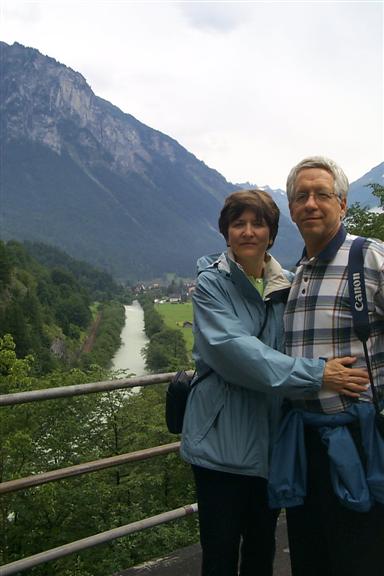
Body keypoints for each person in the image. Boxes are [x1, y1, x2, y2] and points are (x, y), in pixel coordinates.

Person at [179, 189, 368, 576]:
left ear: (271, 233)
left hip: (272, 445)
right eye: (238, 224)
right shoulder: (211, 284)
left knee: (262, 550)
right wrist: (319, 374)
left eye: (258, 223)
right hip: (220, 447)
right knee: (219, 551)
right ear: (226, 233)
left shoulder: (289, 285)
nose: (248, 231)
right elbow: (236, 353)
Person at [278, 156, 384, 576]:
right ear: (290, 210)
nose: (311, 204)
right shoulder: (297, 272)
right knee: (311, 557)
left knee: (360, 557)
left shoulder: (369, 259)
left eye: (322, 194)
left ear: (342, 204)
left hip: (361, 444)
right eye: (301, 196)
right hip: (306, 446)